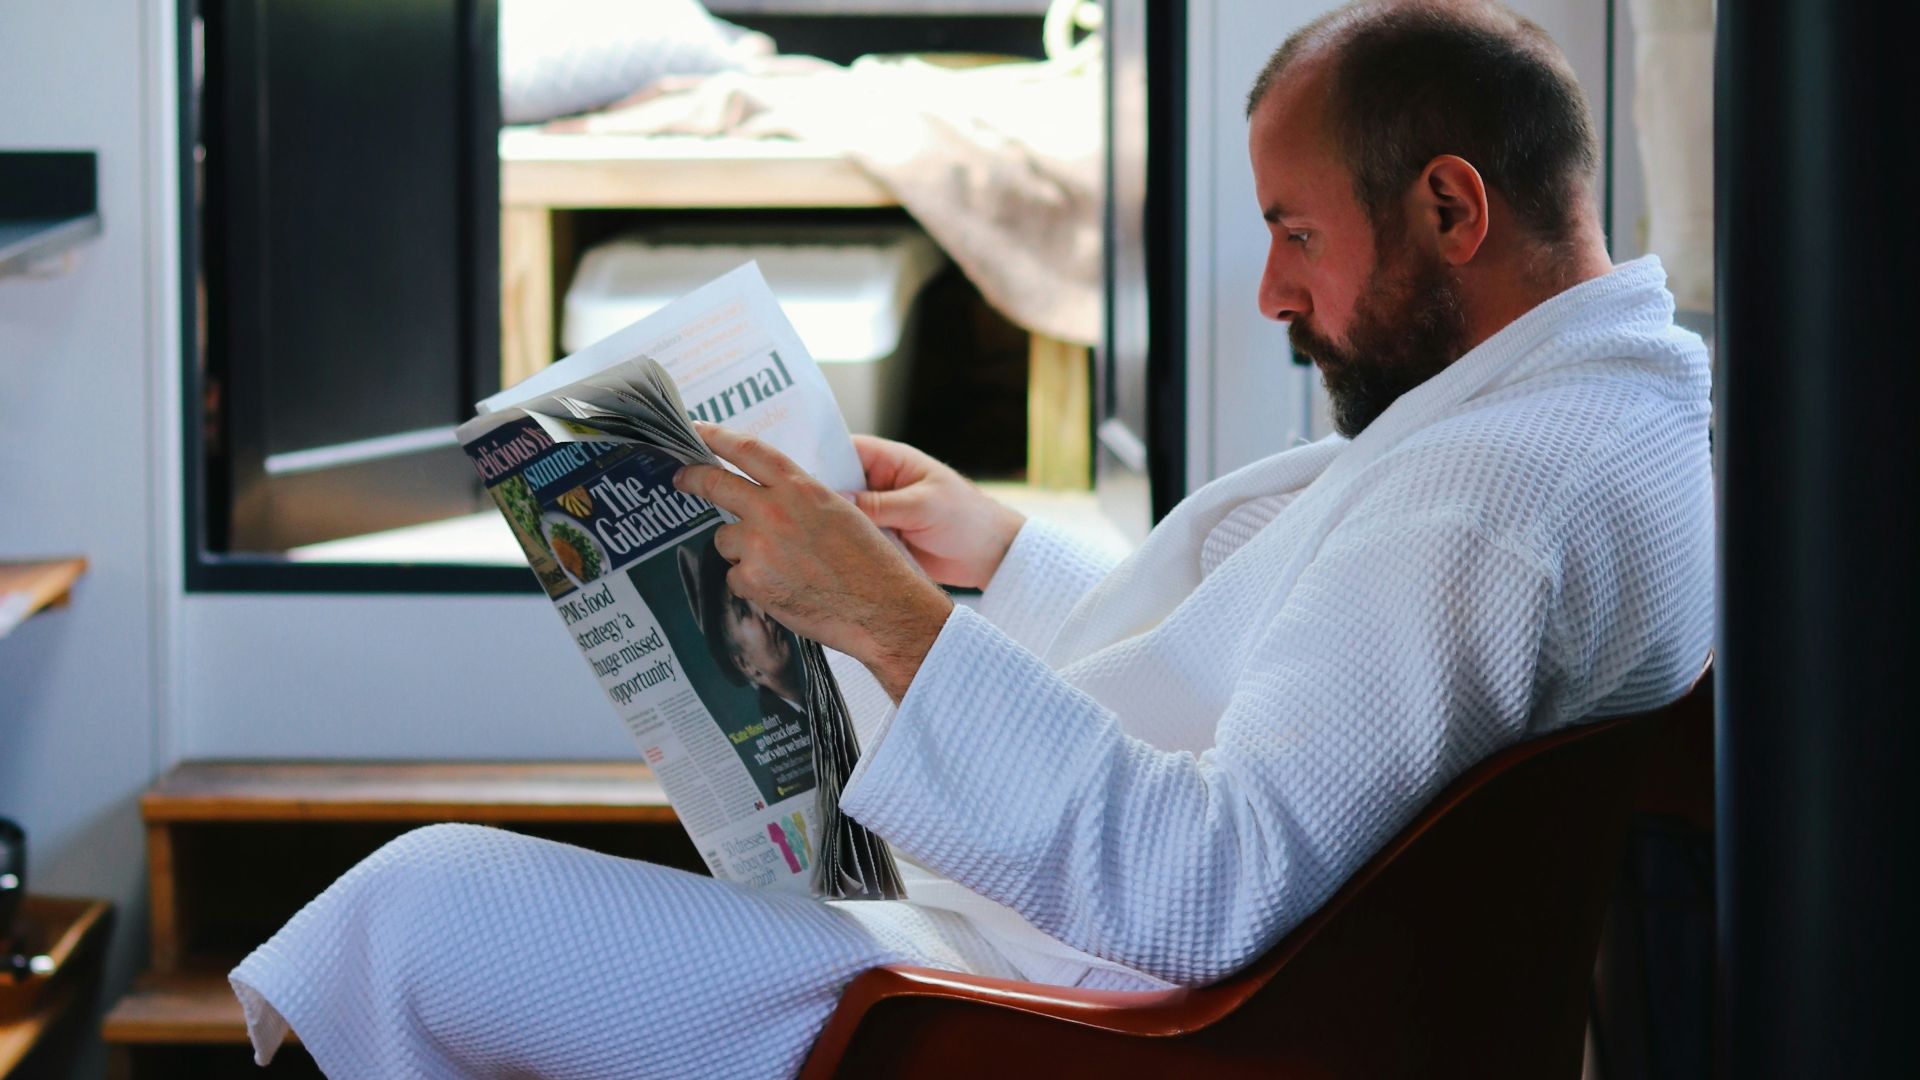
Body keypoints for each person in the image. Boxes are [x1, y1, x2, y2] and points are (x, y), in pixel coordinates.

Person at [228, 3, 1714, 1076]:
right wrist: (997, 556)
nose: (1271, 293)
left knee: (420, 910)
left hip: (1068, 1017)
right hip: (1087, 953)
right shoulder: (1582, 419)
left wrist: (895, 623)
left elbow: (1206, 885)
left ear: (1451, 205)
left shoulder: (1492, 504)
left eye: (1297, 233)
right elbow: (1267, 686)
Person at [678, 534, 807, 726]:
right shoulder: (781, 727)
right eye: (744, 612)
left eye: (754, 594)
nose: (765, 611)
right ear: (745, 664)